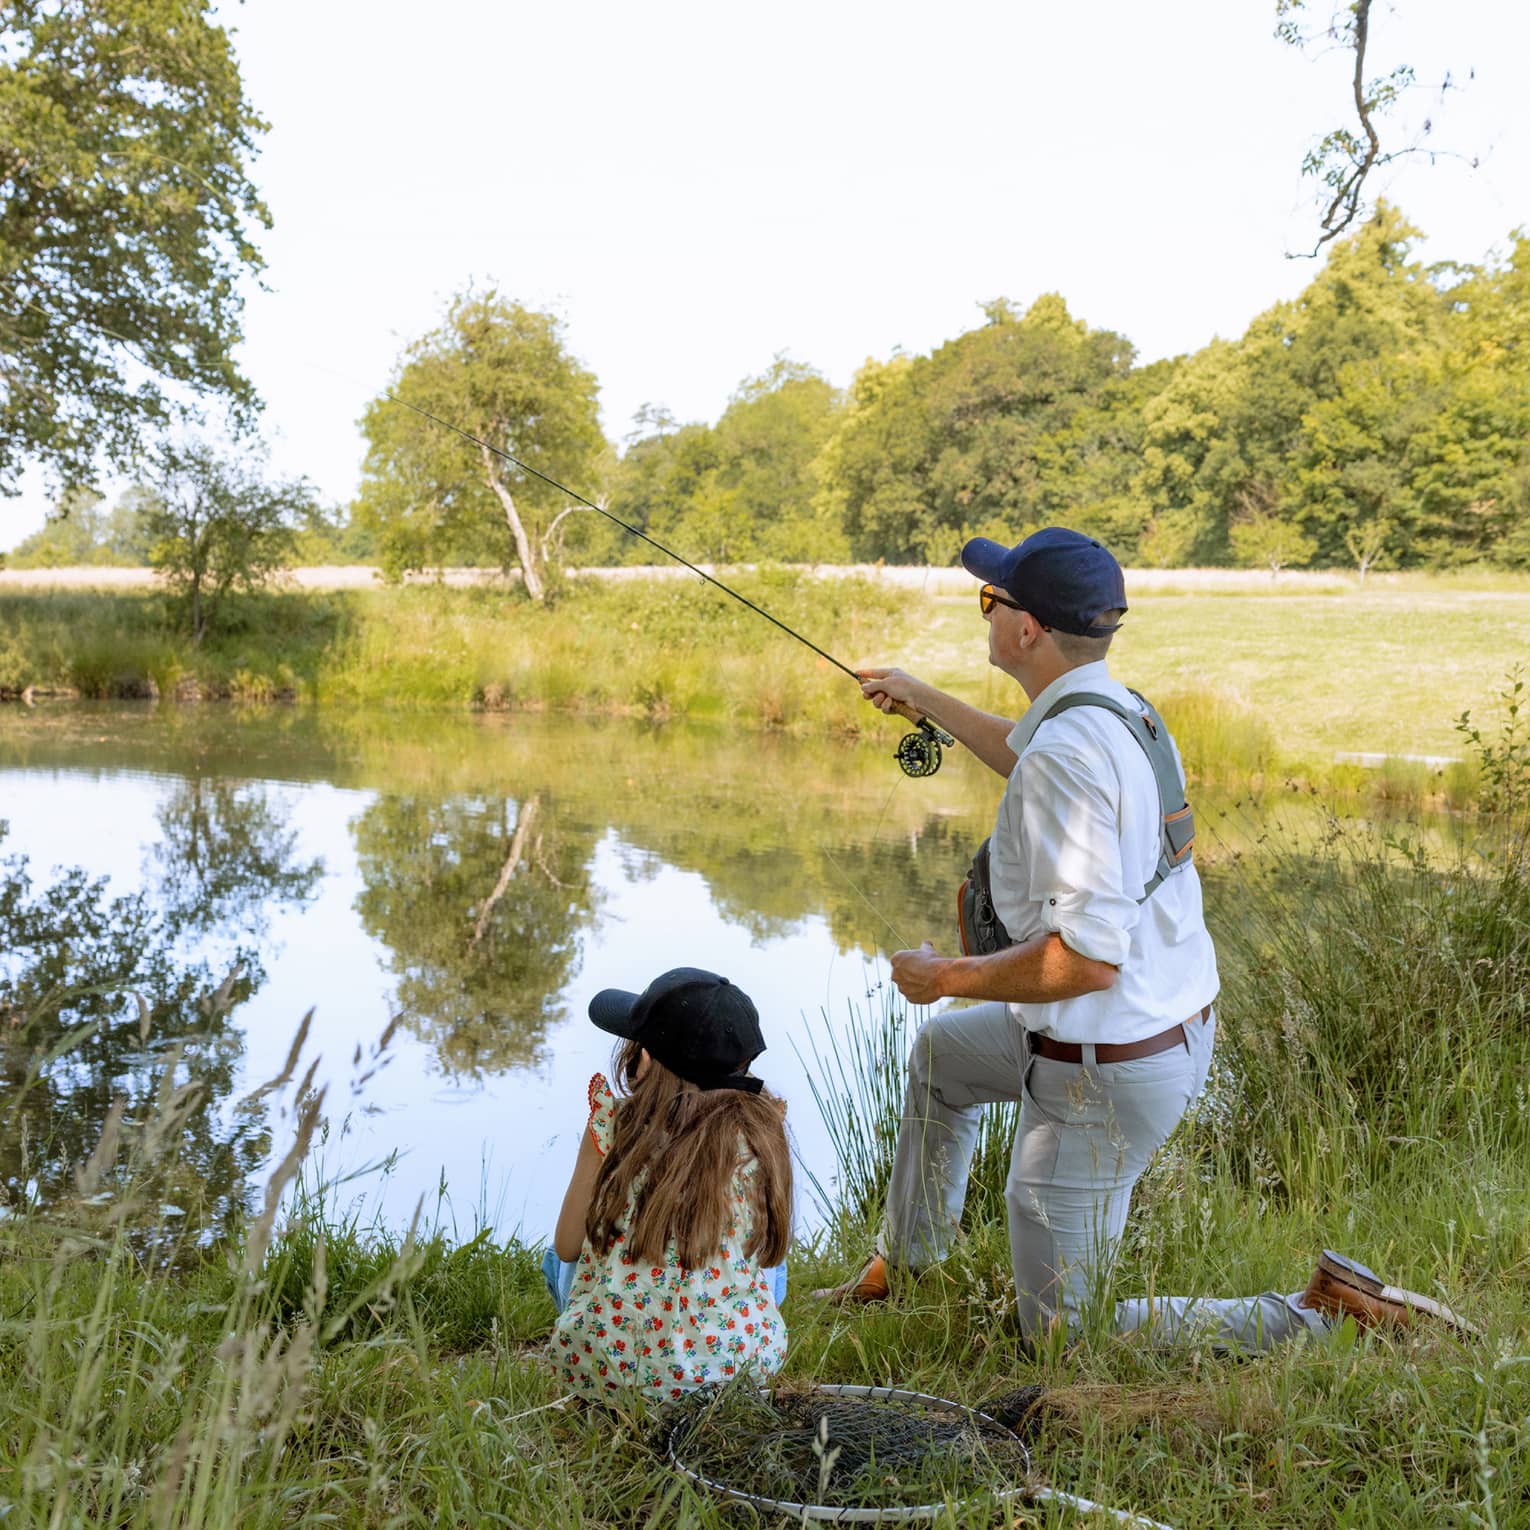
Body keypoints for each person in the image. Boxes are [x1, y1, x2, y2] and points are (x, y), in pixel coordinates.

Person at [816, 527, 1473, 1349]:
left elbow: (1086, 962)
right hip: (1157, 1031)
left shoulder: (1067, 753)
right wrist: (924, 697)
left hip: (1103, 1074)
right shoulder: (1113, 709)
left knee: (1061, 1337)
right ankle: (903, 1269)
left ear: (1026, 630)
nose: (983, 611)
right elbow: (1023, 751)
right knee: (941, 1062)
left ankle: (1314, 1316)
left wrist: (944, 974)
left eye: (991, 599)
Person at [545, 967, 792, 1402]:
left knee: (559, 1260)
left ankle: (612, 1333)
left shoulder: (613, 1125)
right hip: (739, 1374)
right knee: (771, 1268)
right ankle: (720, 1339)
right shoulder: (762, 1133)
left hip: (609, 1376)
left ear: (645, 1058)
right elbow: (770, 1247)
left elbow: (567, 1247)